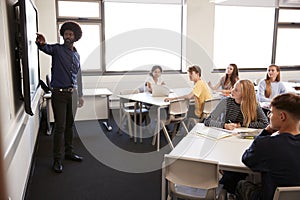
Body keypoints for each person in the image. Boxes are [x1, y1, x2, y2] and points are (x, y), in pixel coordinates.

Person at [204, 79, 269, 196]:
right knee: (232, 170)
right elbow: (207, 121)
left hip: (243, 142)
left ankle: (229, 186)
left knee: (239, 164)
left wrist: (242, 125)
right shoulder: (226, 102)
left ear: (244, 94)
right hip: (226, 141)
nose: (232, 90)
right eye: (233, 87)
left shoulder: (253, 104)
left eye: (236, 90)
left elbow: (265, 124)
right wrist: (224, 125)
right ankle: (231, 186)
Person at [36, 21, 84, 173]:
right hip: (59, 94)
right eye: (66, 33)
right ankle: (57, 159)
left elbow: (78, 76)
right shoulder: (57, 49)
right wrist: (41, 43)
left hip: (72, 94)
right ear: (63, 35)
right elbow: (46, 48)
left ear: (75, 37)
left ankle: (69, 153)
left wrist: (80, 94)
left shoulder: (76, 54)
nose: (68, 36)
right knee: (60, 127)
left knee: (70, 125)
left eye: (71, 34)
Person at [236, 92, 300, 200]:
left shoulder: (266, 144)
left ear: (282, 116)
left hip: (270, 197)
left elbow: (247, 159)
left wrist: (266, 132)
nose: (269, 116)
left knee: (241, 184)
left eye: (271, 112)